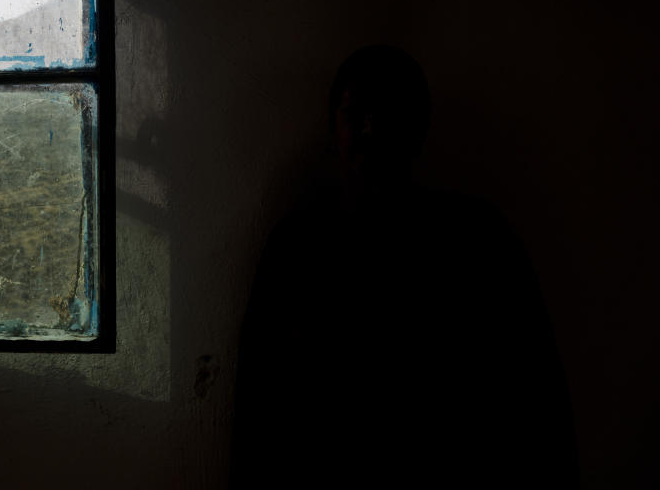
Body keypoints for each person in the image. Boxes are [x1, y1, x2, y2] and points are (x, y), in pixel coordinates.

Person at [231, 45, 578, 487]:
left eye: (389, 115)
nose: (371, 131)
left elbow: (536, 401)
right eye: (356, 113)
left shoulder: (479, 241)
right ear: (334, 127)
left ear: (418, 129)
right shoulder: (295, 246)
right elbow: (259, 406)